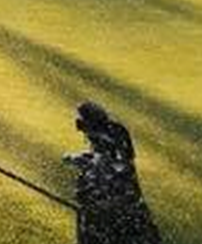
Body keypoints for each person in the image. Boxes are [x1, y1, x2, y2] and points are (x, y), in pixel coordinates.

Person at [64, 101, 163, 244]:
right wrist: (76, 158)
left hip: (113, 214)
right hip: (130, 207)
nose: (80, 130)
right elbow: (103, 157)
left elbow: (104, 165)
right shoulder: (117, 132)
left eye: (80, 124)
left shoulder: (105, 141)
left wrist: (82, 166)